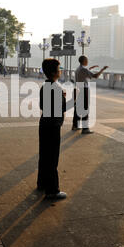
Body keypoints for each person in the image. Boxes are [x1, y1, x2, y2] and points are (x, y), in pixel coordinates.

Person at [37, 58, 73, 200]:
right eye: (59, 69)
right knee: (52, 158)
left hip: (44, 123)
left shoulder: (45, 86)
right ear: (54, 72)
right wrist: (73, 100)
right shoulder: (56, 88)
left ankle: (42, 183)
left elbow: (42, 106)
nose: (60, 71)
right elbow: (62, 108)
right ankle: (52, 190)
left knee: (44, 156)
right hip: (53, 126)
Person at [72, 55, 108, 134]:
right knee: (85, 108)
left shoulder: (78, 69)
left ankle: (75, 125)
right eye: (87, 60)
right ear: (84, 61)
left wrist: (92, 67)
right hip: (84, 89)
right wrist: (102, 69)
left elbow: (86, 71)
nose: (87, 61)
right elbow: (95, 76)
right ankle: (85, 129)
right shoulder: (84, 70)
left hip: (78, 88)